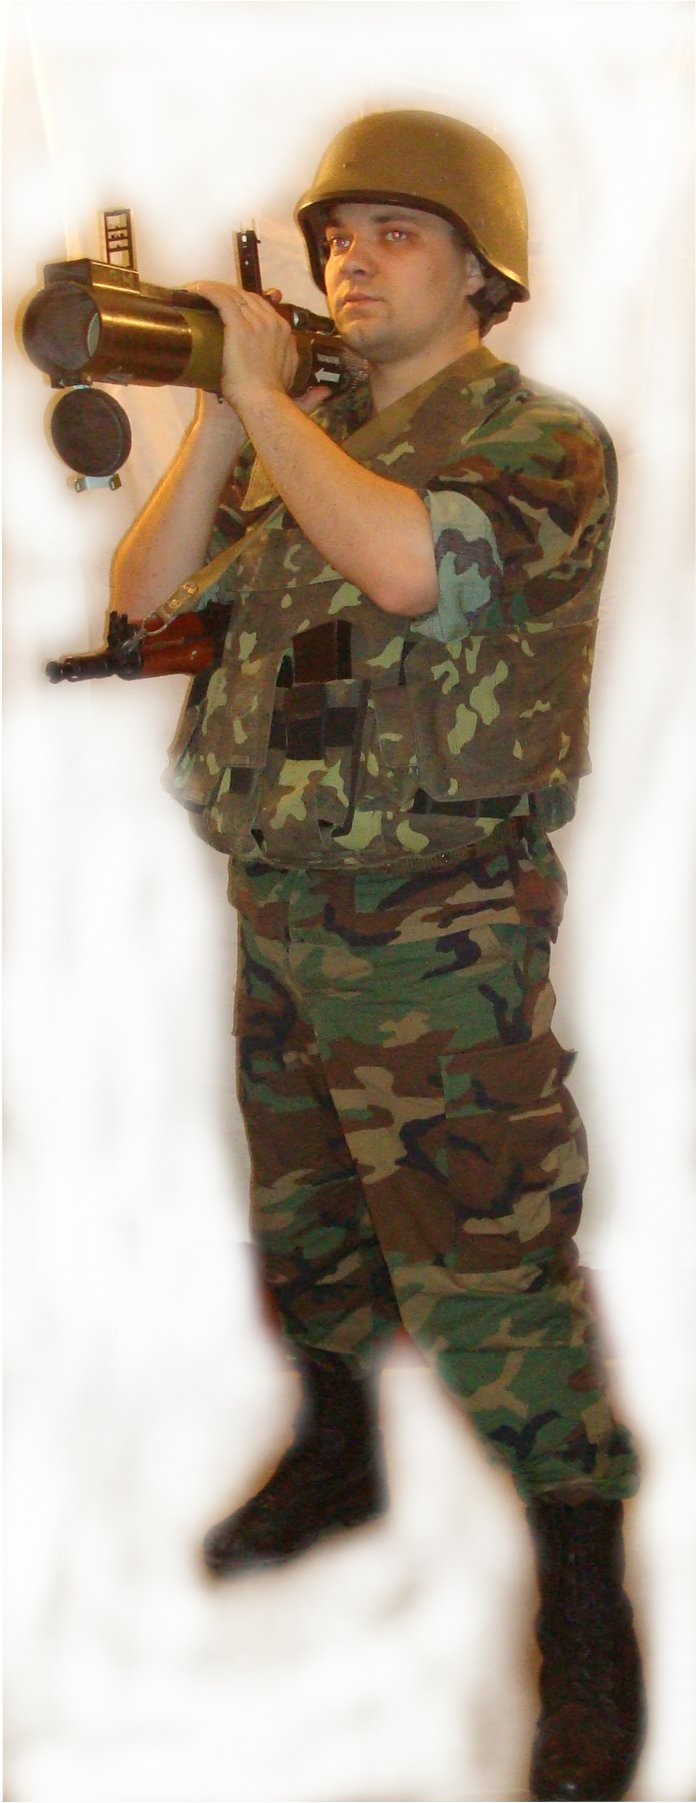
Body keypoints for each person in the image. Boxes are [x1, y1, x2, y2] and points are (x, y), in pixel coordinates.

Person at [112, 110, 644, 1802]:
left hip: (442, 938)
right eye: (338, 235)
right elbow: (142, 604)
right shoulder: (296, 439)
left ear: (486, 276)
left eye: (397, 234)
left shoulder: (541, 443)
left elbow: (417, 568)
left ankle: (586, 1607)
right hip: (282, 906)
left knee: (492, 1270)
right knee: (305, 1226)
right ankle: (338, 1460)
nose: (352, 259)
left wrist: (270, 406)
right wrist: (223, 409)